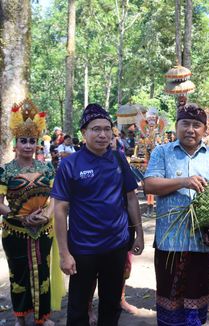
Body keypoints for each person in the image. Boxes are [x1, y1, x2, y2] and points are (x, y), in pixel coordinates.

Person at [51, 103, 144, 326]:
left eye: (106, 129)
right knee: (78, 308)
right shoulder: (70, 164)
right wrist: (64, 253)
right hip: (84, 249)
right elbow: (60, 210)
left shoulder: (119, 159)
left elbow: (131, 198)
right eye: (96, 129)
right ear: (84, 133)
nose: (102, 135)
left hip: (117, 246)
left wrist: (139, 234)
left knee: (111, 305)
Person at [143, 103, 209, 326]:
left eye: (197, 125)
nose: (191, 129)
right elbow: (149, 184)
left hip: (202, 243)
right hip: (170, 243)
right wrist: (184, 181)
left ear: (205, 130)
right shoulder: (162, 152)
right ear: (176, 127)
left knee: (197, 304)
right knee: (170, 303)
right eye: (185, 124)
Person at [0, 99, 55, 326]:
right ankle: (21, 318)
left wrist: (47, 214)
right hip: (15, 230)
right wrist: (20, 216)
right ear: (16, 142)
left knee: (42, 273)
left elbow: (56, 198)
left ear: (37, 144)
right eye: (23, 140)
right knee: (19, 274)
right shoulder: (5, 171)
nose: (28, 145)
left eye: (32, 141)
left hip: (43, 228)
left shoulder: (46, 168)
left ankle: (41, 317)